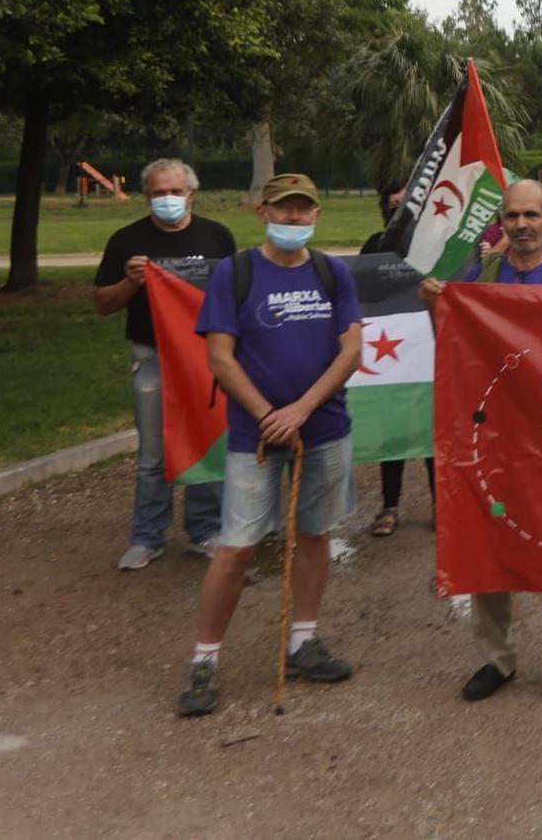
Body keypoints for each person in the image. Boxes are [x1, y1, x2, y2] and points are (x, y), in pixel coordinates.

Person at [177, 175, 361, 717]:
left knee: (314, 536)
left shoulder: (333, 272)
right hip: (253, 436)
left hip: (324, 428)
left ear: (316, 215)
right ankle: (205, 659)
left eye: (304, 211)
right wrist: (267, 415)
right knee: (235, 548)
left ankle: (303, 640)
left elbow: (350, 351)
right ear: (263, 214)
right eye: (284, 211)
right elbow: (220, 358)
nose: (294, 219)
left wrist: (301, 410)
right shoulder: (234, 273)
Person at [422, 180, 542, 700]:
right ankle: (495, 659)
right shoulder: (485, 276)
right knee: (489, 541)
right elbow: (458, 345)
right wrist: (436, 305)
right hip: (499, 437)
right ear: (500, 222)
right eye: (512, 216)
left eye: (531, 215)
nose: (521, 225)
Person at [94, 158, 236, 570]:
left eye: (175, 191)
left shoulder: (217, 237)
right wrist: (130, 281)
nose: (168, 199)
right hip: (152, 356)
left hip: (205, 358)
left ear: (192, 194)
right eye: (159, 192)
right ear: (146, 196)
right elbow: (103, 303)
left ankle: (206, 529)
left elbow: (234, 296)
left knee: (207, 442)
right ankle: (147, 536)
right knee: (154, 453)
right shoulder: (126, 240)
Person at [361, 178, 435, 537]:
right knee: (394, 433)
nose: (400, 210)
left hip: (432, 352)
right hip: (392, 356)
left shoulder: (438, 245)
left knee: (434, 433)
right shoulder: (374, 246)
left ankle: (442, 506)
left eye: (407, 203)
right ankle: (390, 506)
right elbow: (361, 296)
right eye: (393, 205)